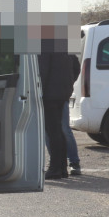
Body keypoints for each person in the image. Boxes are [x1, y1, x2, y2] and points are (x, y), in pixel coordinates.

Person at [39, 48, 75, 179]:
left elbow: (43, 70)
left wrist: (38, 91)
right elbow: (76, 66)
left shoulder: (43, 45)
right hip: (63, 92)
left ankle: (55, 168)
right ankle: (62, 168)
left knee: (53, 132)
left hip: (50, 94)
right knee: (58, 131)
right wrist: (69, 85)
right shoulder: (63, 44)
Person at [63, 54, 81, 175]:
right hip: (46, 96)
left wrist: (68, 84)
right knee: (48, 132)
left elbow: (76, 68)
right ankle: (56, 161)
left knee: (65, 129)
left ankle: (74, 162)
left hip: (61, 95)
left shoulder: (66, 52)